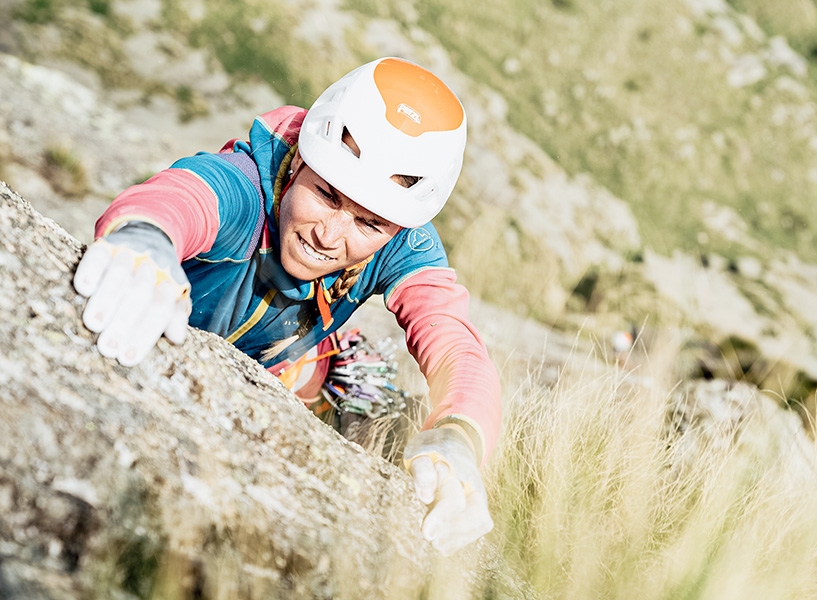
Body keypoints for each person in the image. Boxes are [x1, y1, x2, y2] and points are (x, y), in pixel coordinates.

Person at [72, 57, 501, 556]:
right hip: (248, 343)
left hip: (295, 361)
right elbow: (187, 193)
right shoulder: (247, 186)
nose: (328, 235)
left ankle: (332, 366)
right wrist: (146, 234)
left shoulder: (400, 237)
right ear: (297, 161)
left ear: (397, 230)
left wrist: (460, 436)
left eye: (368, 225)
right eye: (325, 194)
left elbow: (455, 345)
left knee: (359, 403)